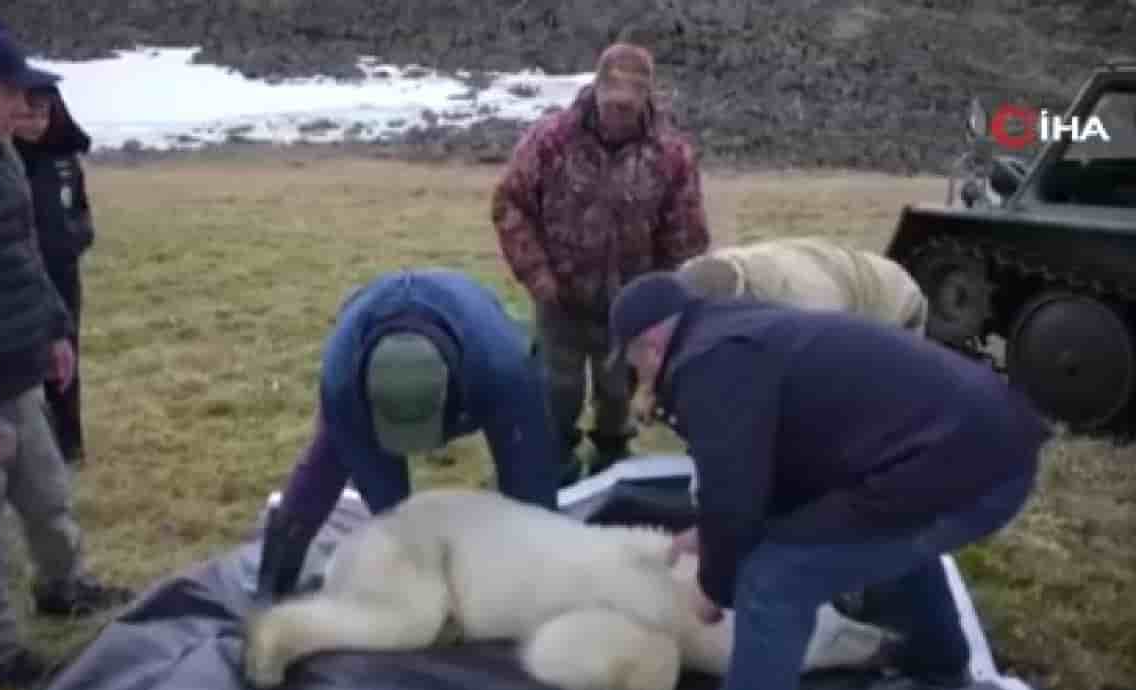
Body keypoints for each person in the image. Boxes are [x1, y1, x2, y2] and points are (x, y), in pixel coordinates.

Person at [607, 272, 1051, 690]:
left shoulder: (709, 363)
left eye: (631, 361)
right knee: (874, 531)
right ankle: (938, 661)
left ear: (651, 345)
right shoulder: (733, 332)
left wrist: (713, 584)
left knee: (774, 579)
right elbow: (766, 468)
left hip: (962, 472)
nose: (636, 375)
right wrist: (711, 532)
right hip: (983, 447)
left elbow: (735, 493)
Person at [0, 23, 132, 689]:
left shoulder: (0, 156)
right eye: (7, 88)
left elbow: (25, 258)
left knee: (48, 494)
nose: (22, 101)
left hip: (17, 370)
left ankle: (64, 584)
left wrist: (55, 332)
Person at [255, 267, 561, 601]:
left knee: (529, 503)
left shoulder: (504, 367)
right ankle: (274, 578)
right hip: (367, 364)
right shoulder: (343, 381)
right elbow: (385, 497)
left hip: (478, 346)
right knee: (327, 464)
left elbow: (530, 476)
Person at [491, 41, 710, 486]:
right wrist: (539, 277)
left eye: (629, 109)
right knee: (556, 391)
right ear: (595, 91)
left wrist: (662, 299)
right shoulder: (550, 140)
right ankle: (554, 471)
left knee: (617, 396)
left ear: (647, 99)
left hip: (629, 309)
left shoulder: (671, 155)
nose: (618, 117)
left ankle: (611, 464)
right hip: (560, 299)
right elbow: (510, 204)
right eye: (612, 106)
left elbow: (685, 235)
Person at [14, 84, 94, 465]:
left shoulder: (63, 159)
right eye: (28, 114)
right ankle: (29, 448)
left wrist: (76, 237)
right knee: (25, 362)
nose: (36, 123)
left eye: (44, 114)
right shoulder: (2, 160)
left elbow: (81, 210)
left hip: (62, 274)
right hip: (17, 277)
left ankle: (69, 445)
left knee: (66, 358)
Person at [677, 236, 929, 335]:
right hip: (836, 278)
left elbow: (830, 370)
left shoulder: (808, 307)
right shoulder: (705, 268)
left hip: (894, 303)